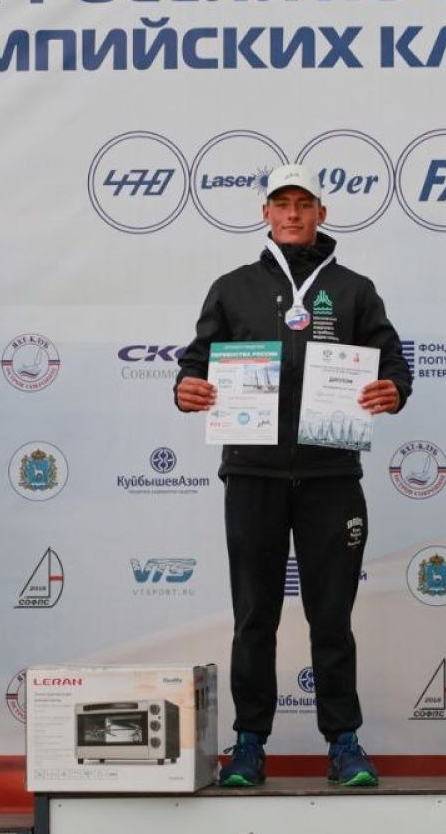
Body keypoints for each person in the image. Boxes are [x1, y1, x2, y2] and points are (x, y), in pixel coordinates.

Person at [175, 164, 411, 787]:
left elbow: (393, 364)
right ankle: (249, 743)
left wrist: (394, 390)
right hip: (253, 475)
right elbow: (196, 362)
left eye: (304, 204)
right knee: (254, 615)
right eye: (281, 204)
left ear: (321, 213)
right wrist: (187, 388)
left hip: (331, 476)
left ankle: (344, 742)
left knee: (331, 617)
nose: (292, 214)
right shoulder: (233, 288)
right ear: (266, 214)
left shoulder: (354, 289)